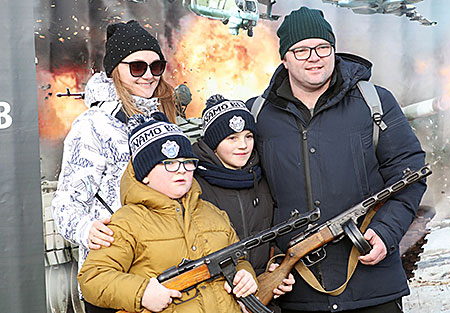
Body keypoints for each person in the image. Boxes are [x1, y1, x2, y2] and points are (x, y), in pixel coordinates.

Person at [246, 7, 427, 313]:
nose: (314, 57)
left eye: (322, 47)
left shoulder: (375, 102)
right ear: (284, 58)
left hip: (373, 290)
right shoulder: (257, 115)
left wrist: (386, 231)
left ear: (333, 49)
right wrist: (266, 264)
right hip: (297, 294)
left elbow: (410, 174)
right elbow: (248, 197)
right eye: (301, 50)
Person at [51, 20, 176, 311]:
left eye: (156, 67)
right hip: (114, 274)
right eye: (137, 67)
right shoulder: (92, 125)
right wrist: (86, 229)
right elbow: (65, 203)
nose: (148, 76)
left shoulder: (164, 118)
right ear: (114, 70)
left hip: (162, 271)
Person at [77, 113, 258, 313]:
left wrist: (244, 275)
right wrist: (142, 293)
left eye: (188, 162)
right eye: (169, 163)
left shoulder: (213, 213)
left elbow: (238, 259)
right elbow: (93, 277)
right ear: (145, 175)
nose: (182, 170)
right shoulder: (126, 222)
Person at [192, 94, 295, 308]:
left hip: (262, 297)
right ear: (212, 143)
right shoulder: (194, 185)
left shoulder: (264, 177)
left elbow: (273, 234)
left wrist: (276, 268)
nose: (243, 145)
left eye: (248, 136)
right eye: (232, 138)